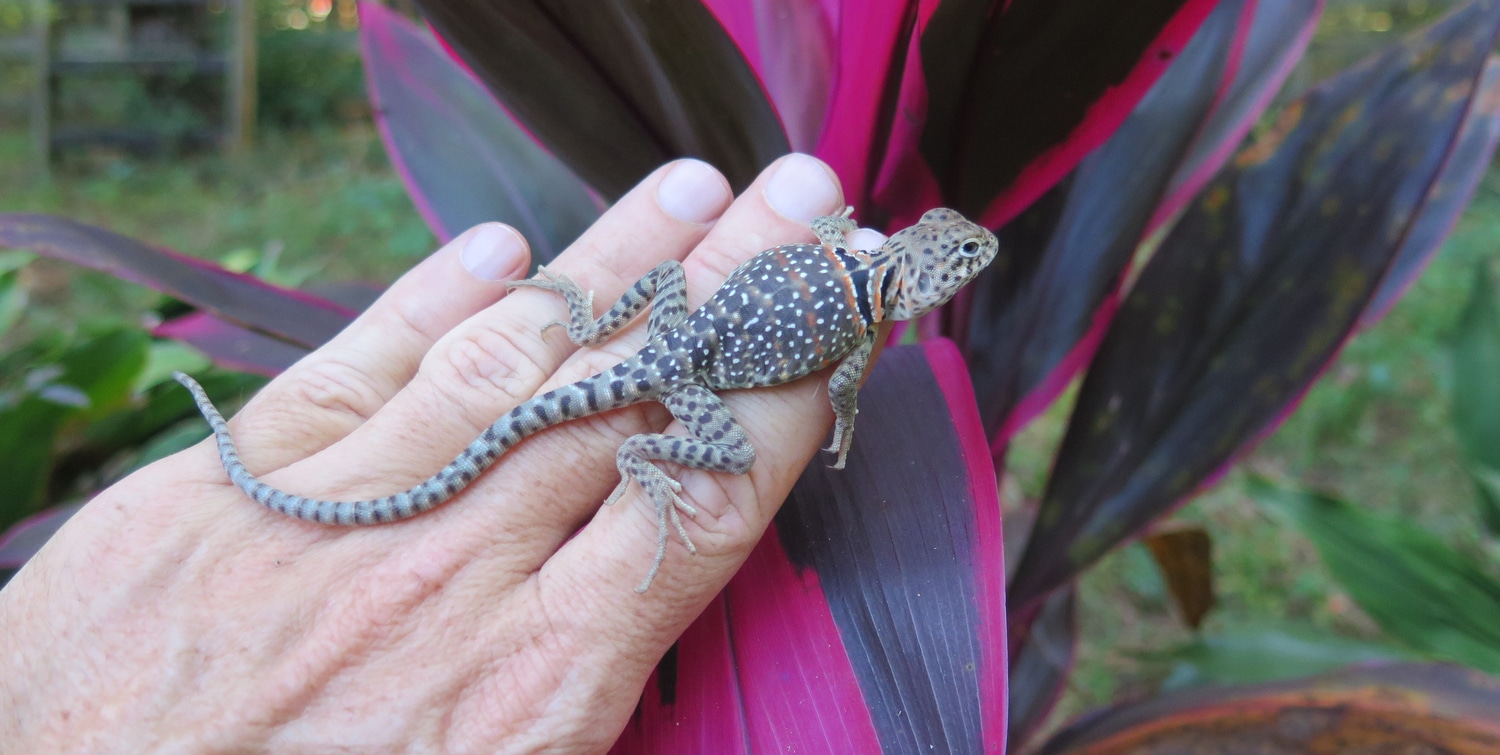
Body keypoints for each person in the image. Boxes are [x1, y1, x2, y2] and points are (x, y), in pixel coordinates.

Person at [0, 154, 885, 752]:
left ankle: (592, 337)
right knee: (721, 463)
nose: (955, 271)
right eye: (952, 260)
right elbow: (838, 388)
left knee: (674, 399)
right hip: (678, 371)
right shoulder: (862, 310)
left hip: (674, 340)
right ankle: (643, 462)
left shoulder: (850, 278)